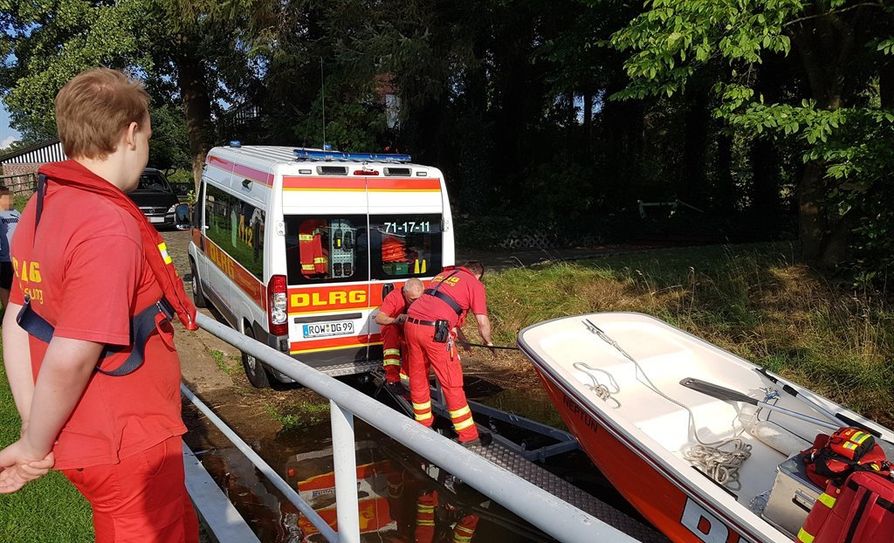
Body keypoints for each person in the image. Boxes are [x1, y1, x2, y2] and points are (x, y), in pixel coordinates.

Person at [0, 67, 199, 543]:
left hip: (94, 440)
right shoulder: (107, 226)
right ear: (131, 134)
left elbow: (17, 320)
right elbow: (71, 354)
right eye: (148, 137)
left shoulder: (43, 205)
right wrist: (33, 441)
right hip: (127, 447)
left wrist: (36, 429)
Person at [403, 261, 495, 447]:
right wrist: (489, 342)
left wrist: (463, 341)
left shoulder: (443, 276)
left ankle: (423, 423)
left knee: (419, 376)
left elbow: (447, 308)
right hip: (434, 333)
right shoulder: (474, 283)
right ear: (478, 275)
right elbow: (482, 322)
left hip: (411, 324)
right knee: (452, 383)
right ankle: (468, 436)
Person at [375, 278, 424, 386]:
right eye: (412, 300)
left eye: (418, 300)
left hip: (413, 330)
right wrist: (396, 320)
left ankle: (410, 377)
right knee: (390, 331)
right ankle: (392, 377)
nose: (416, 303)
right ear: (405, 292)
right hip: (396, 329)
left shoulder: (426, 298)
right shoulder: (395, 297)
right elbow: (379, 318)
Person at [0, 186, 21, 311]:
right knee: (4, 285)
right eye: (6, 197)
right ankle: (7, 311)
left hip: (18, 257)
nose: (9, 200)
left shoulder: (16, 212)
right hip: (4, 258)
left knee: (19, 285)